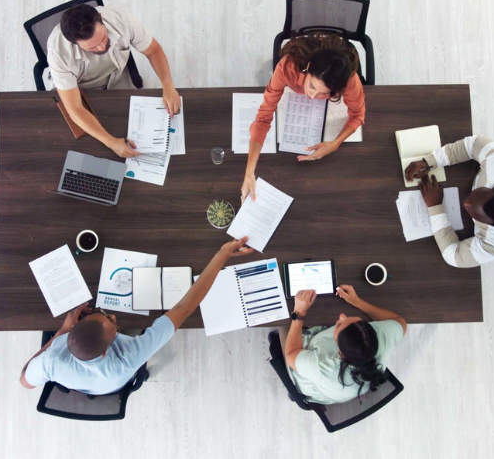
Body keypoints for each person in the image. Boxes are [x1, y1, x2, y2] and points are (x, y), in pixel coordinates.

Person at [19, 237, 253, 394]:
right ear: (105, 351)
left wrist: (60, 331)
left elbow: (24, 380)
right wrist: (223, 254)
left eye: (103, 315)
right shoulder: (129, 358)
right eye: (113, 325)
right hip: (114, 380)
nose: (113, 316)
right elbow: (184, 308)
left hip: (93, 382)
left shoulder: (51, 361)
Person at [241, 34, 366, 201]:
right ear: (308, 68)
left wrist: (335, 144)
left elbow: (358, 114)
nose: (313, 96)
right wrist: (249, 170)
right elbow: (263, 117)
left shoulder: (349, 80)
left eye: (324, 93)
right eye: (312, 86)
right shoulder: (288, 66)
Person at [46, 4, 181, 158]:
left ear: (101, 19)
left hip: (118, 79)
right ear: (75, 44)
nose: (102, 46)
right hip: (82, 91)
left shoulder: (123, 20)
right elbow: (75, 109)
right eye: (92, 48)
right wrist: (110, 142)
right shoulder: (59, 52)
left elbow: (153, 50)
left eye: (103, 38)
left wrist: (168, 85)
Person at [405, 135, 494, 268]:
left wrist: (435, 207)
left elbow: (454, 256)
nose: (465, 204)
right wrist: (431, 161)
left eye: (474, 213)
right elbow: (471, 145)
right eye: (474, 197)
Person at [283, 286, 407, 405]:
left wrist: (299, 313)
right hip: (342, 391)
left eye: (338, 325)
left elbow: (291, 353)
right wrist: (356, 301)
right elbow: (399, 320)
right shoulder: (383, 335)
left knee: (284, 324)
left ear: (340, 353)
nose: (342, 316)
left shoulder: (324, 367)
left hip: (314, 385)